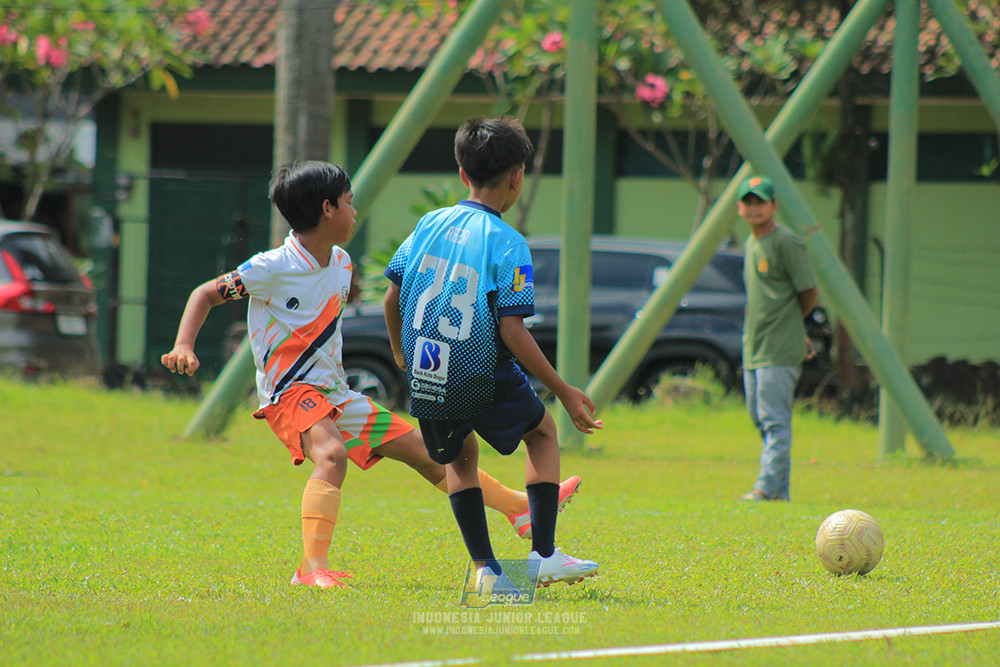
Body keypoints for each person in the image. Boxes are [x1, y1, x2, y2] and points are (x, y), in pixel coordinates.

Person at [161, 160, 582, 590]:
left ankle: (517, 508)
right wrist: (183, 345)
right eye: (349, 202)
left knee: (429, 454)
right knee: (332, 455)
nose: (355, 211)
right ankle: (311, 568)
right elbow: (205, 293)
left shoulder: (341, 263)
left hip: (336, 395)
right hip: (291, 393)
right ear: (327, 209)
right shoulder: (270, 267)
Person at [383, 116, 602, 588]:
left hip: (427, 366)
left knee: (460, 459)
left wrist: (401, 354)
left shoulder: (428, 223)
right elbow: (512, 330)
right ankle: (543, 555)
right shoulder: (509, 243)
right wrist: (563, 389)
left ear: (463, 173)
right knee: (541, 433)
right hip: (477, 366)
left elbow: (391, 296)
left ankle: (486, 571)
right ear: (516, 177)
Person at [736, 175, 819, 502]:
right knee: (759, 418)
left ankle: (764, 488)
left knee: (774, 421)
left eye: (760, 201)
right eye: (748, 201)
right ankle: (779, 494)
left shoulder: (786, 241)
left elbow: (809, 291)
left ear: (774, 206)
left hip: (779, 347)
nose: (754, 207)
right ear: (740, 208)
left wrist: (792, 327)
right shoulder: (751, 243)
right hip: (754, 347)